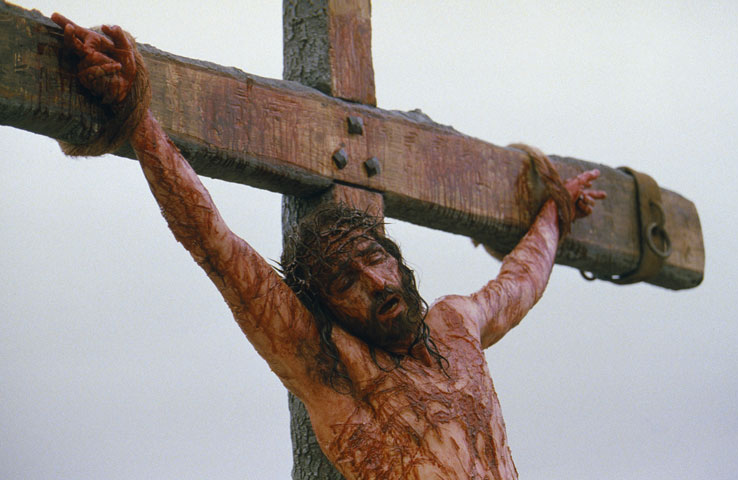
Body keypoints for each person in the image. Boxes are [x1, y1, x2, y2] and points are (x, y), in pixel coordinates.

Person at [51, 14, 606, 479]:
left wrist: (556, 210)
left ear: (399, 263)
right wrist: (136, 113)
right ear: (328, 307)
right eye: (345, 283)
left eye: (375, 261)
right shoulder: (333, 368)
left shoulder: (457, 325)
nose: (374, 283)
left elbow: (521, 281)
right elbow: (216, 246)